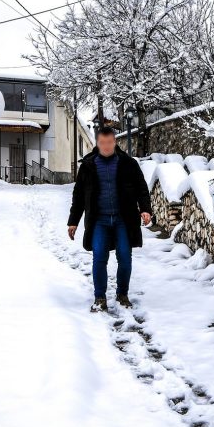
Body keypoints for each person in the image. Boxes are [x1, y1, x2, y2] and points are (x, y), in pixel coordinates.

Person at [67, 125, 153, 311]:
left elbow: (141, 188)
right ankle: (100, 298)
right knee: (99, 257)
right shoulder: (88, 166)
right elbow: (79, 195)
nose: (106, 146)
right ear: (97, 143)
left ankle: (122, 294)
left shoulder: (128, 163)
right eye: (102, 143)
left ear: (115, 142)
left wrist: (145, 209)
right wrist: (73, 221)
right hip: (99, 220)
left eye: (109, 142)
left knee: (125, 257)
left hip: (124, 219)